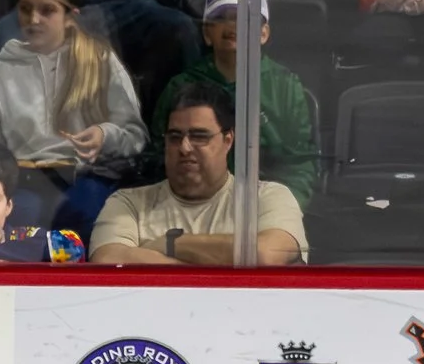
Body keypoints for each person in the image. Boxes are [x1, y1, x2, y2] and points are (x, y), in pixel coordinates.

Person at [0, 0, 139, 235]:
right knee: (18, 215)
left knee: (86, 211)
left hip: (85, 178)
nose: (33, 20)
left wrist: (105, 135)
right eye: (25, 9)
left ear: (71, 17)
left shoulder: (99, 62)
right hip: (21, 183)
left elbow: (134, 137)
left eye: (47, 11)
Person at [91, 78, 305, 263]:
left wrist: (170, 243)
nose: (184, 147)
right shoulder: (129, 203)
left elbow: (266, 254)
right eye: (175, 137)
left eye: (199, 136)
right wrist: (222, 265)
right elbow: (108, 260)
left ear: (228, 140)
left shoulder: (266, 197)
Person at [150, 0, 317, 210]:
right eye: (222, 17)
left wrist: (283, 209)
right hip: (194, 205)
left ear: (263, 33)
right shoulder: (181, 86)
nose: (233, 24)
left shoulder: (285, 86)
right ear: (207, 33)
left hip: (265, 206)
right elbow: (159, 157)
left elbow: (299, 165)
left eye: (245, 17)